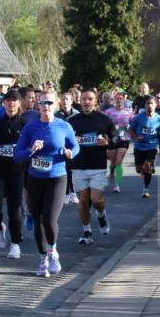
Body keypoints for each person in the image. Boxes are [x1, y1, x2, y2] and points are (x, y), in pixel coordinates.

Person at [14, 91, 79, 277]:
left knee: (49, 219)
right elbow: (17, 155)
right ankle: (42, 259)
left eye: (49, 102)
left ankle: (53, 253)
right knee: (37, 220)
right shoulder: (30, 127)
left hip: (57, 177)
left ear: (56, 103)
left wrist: (70, 154)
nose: (46, 105)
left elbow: (75, 146)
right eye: (42, 102)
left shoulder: (64, 126)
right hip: (35, 179)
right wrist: (31, 149)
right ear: (38, 105)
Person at [68, 89, 116, 245]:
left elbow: (116, 137)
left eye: (90, 99)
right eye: (84, 99)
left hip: (98, 166)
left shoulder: (105, 120)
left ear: (95, 101)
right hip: (78, 166)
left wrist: (108, 142)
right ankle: (87, 231)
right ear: (80, 101)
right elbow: (64, 140)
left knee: (95, 200)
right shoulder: (72, 121)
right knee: (83, 201)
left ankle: (101, 213)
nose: (86, 102)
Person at [0, 88, 27, 258]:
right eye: (8, 100)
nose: (11, 103)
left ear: (19, 103)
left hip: (18, 171)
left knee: (14, 208)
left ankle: (15, 244)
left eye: (14, 100)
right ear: (4, 103)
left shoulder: (25, 125)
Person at [128, 95, 160, 198]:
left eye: (152, 103)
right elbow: (130, 130)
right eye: (148, 103)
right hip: (139, 147)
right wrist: (136, 137)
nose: (149, 106)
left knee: (148, 166)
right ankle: (144, 170)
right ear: (145, 105)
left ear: (155, 105)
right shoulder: (139, 117)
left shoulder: (159, 119)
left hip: (151, 146)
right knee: (138, 169)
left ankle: (146, 189)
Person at [104, 90, 134, 193]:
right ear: (114, 100)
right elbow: (104, 125)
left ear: (123, 100)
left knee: (119, 161)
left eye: (120, 99)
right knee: (113, 160)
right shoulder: (109, 112)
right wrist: (111, 128)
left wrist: (128, 127)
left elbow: (133, 123)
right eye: (116, 99)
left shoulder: (129, 111)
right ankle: (112, 170)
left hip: (124, 138)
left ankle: (117, 185)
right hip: (113, 138)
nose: (118, 100)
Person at [55, 93, 80, 204]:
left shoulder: (77, 114)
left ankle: (73, 192)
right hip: (61, 145)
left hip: (73, 145)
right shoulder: (57, 115)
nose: (65, 101)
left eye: (67, 99)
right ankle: (65, 193)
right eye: (63, 99)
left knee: (72, 169)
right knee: (64, 169)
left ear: (71, 101)